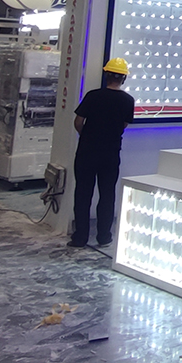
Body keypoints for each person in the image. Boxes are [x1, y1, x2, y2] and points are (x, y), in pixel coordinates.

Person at [68, 57, 135, 248]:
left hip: (87, 151)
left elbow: (78, 122)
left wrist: (87, 136)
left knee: (83, 193)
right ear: (123, 78)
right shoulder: (128, 100)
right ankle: (104, 237)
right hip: (111, 153)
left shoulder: (93, 96)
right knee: (107, 194)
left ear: (106, 75)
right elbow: (124, 124)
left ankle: (80, 237)